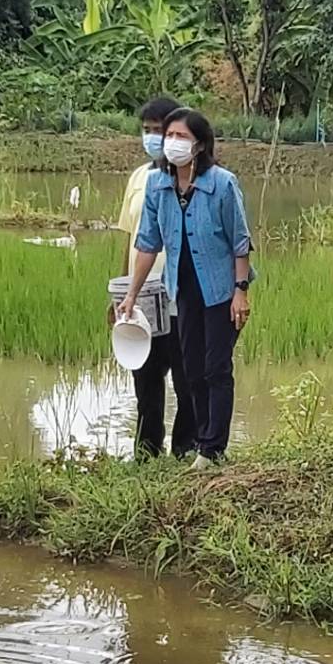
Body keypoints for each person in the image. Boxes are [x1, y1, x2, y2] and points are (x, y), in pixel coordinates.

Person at [119, 108, 253, 470]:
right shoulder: (157, 185)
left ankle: (212, 448)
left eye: (182, 137)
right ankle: (200, 443)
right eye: (169, 137)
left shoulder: (222, 184)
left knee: (216, 368)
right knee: (191, 369)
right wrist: (131, 294)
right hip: (180, 288)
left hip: (221, 288)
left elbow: (240, 242)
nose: (172, 144)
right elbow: (147, 243)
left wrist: (241, 290)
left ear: (200, 145)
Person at [115, 96, 197, 461]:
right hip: (142, 296)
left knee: (186, 376)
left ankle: (186, 449)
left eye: (159, 131)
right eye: (146, 130)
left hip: (181, 293)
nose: (152, 138)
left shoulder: (193, 180)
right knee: (146, 379)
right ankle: (147, 454)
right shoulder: (138, 178)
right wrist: (121, 293)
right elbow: (129, 238)